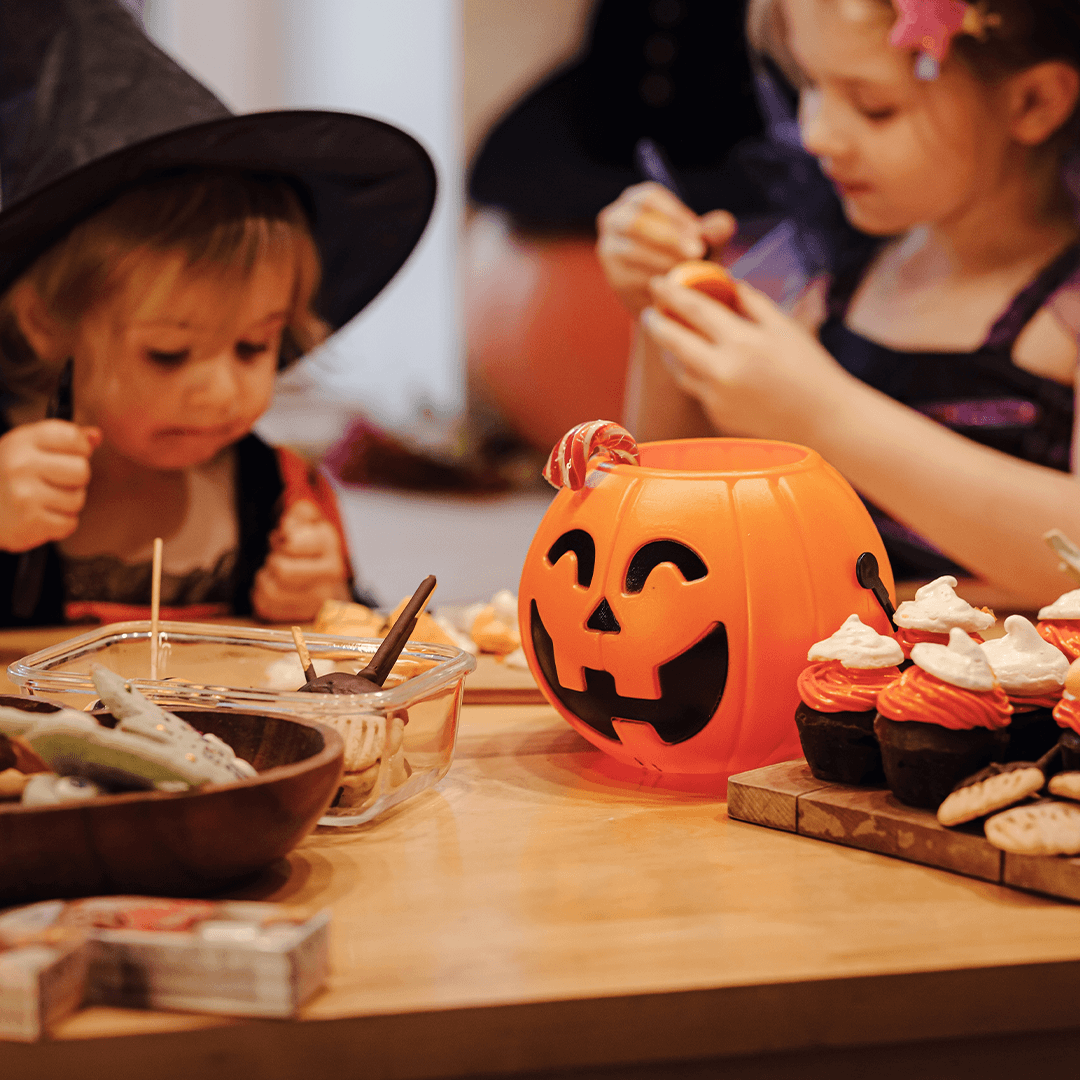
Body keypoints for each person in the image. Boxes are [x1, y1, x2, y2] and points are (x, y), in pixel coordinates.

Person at [596, 0, 1080, 609]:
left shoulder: (1066, 311)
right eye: (809, 84)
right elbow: (668, 510)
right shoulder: (836, 275)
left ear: (1033, 102)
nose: (817, 133)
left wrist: (823, 415)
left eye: (874, 107)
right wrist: (663, 305)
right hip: (821, 680)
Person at [0, 0, 435, 627]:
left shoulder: (276, 492)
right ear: (45, 324)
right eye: (169, 353)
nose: (221, 392)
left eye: (254, 347)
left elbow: (352, 651)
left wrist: (323, 597)